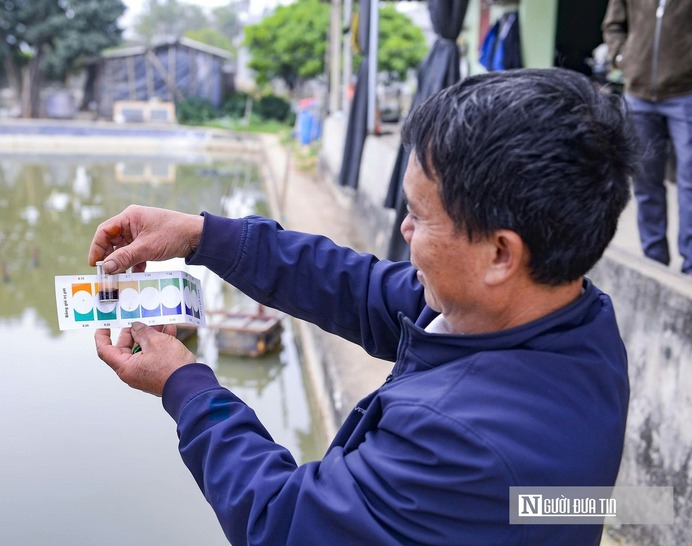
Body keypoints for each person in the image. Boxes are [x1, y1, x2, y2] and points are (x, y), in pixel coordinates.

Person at [89, 68, 637, 545]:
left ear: (499, 252)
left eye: (419, 216)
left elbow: (283, 524)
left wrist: (185, 386)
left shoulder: (460, 444)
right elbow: (361, 288)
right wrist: (202, 235)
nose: (402, 229)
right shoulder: (569, 318)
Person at [603, 0, 692, 274]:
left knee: (689, 181)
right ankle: (654, 259)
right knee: (644, 180)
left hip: (685, 94)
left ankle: (690, 265)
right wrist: (621, 56)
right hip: (638, 94)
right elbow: (613, 24)